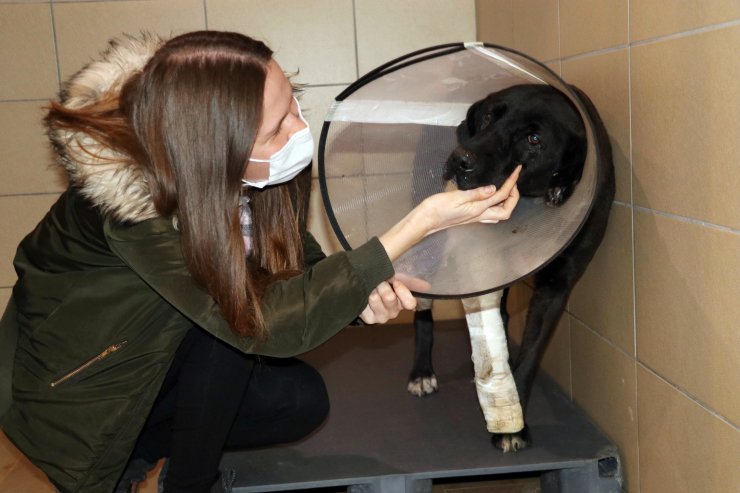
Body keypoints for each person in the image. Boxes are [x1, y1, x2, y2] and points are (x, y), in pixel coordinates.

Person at [0, 31, 520, 493]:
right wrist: (419, 223)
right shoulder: (135, 210)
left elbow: (294, 267)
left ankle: (150, 457)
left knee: (300, 400)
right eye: (277, 127)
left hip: (160, 352)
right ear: (215, 147)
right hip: (82, 386)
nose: (298, 131)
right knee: (235, 318)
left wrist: (364, 298)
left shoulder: (255, 170)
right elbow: (262, 320)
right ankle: (182, 481)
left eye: (294, 104)